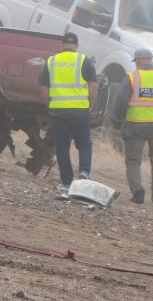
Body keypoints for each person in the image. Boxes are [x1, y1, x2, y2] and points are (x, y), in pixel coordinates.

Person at [112, 48, 153, 208]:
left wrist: (116, 123)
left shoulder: (132, 78)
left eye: (135, 62)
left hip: (135, 126)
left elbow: (121, 102)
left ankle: (138, 192)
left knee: (133, 160)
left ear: (139, 60)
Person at [37, 31, 97, 192]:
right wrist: (90, 106)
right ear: (77, 46)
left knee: (62, 146)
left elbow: (43, 88)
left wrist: (49, 106)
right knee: (84, 143)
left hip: (58, 112)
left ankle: (66, 182)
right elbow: (93, 86)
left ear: (62, 44)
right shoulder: (84, 60)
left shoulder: (51, 61)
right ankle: (84, 172)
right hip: (80, 111)